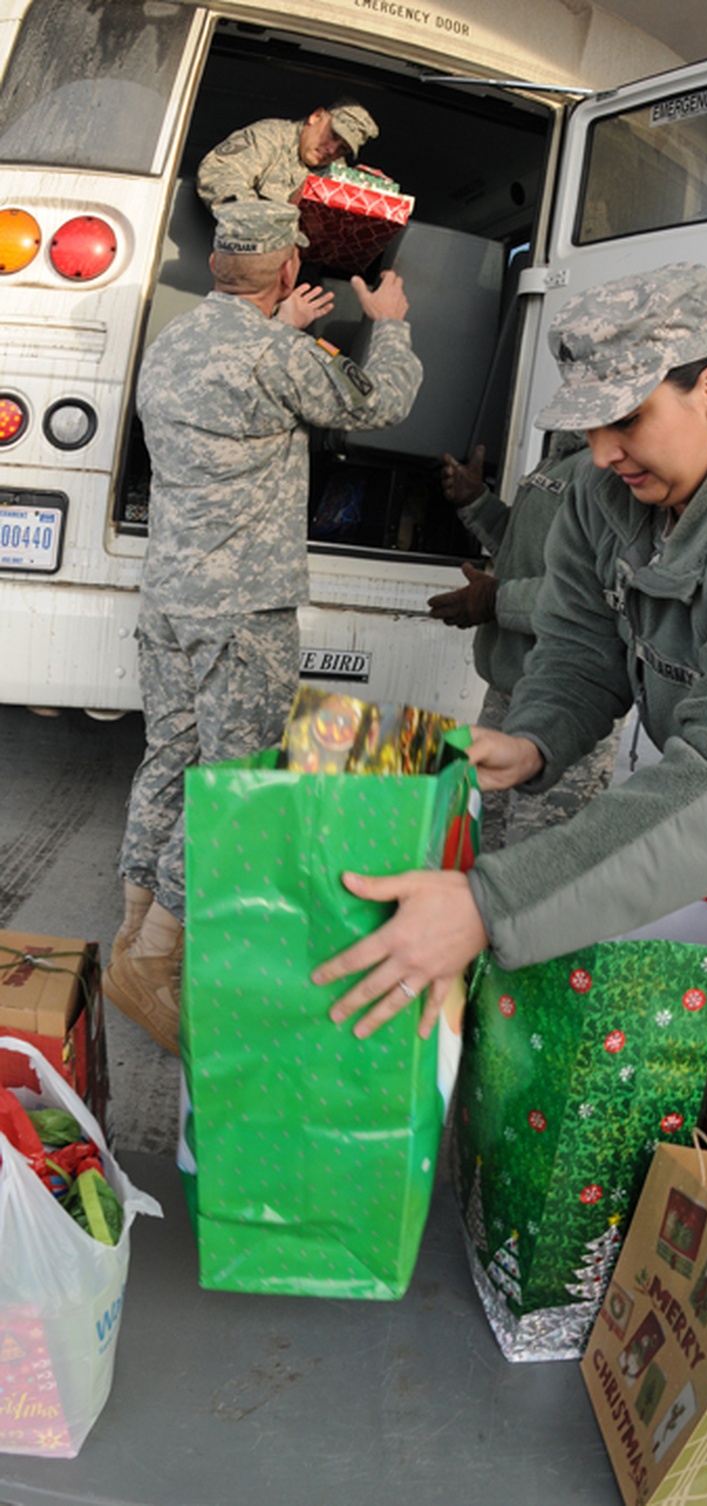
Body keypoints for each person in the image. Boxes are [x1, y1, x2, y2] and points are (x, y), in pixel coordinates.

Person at [309, 260, 707, 1042]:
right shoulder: (606, 496)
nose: (604, 452)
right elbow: (580, 641)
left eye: (626, 419)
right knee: (640, 995)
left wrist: (489, 903)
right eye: (590, 427)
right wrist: (536, 736)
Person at [104, 199, 422, 1056]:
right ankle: (156, 961)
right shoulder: (280, 356)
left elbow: (241, 380)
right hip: (241, 609)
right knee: (234, 779)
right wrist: (385, 325)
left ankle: (131, 935)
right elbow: (381, 402)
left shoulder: (174, 341)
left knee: (169, 755)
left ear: (216, 269)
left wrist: (280, 329)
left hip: (168, 596)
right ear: (287, 273)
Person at [427, 433, 625, 852]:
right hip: (507, 693)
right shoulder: (561, 456)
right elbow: (528, 555)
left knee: (536, 861)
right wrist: (476, 503)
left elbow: (598, 598)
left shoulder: (613, 468)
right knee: (481, 845)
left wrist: (496, 600)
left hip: (566, 701)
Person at [196, 100, 379, 212]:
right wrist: (257, 221)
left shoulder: (338, 174)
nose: (332, 150)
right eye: (333, 135)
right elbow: (218, 172)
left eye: (343, 149)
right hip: (244, 256)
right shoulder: (271, 136)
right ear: (316, 117)